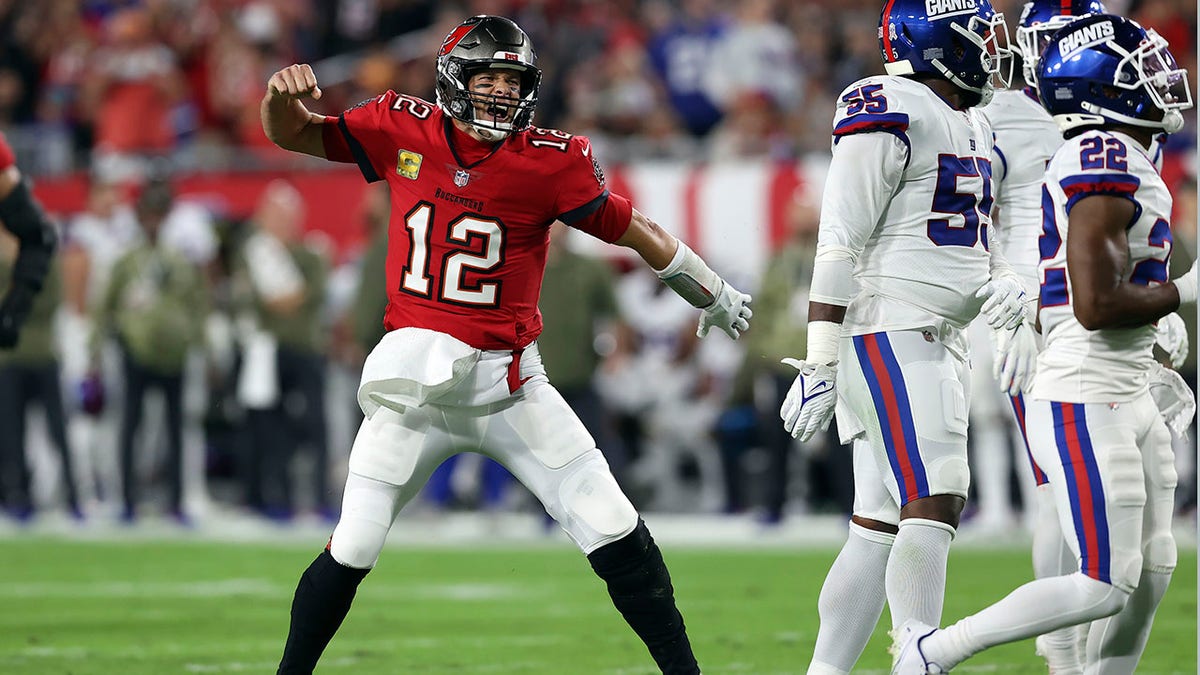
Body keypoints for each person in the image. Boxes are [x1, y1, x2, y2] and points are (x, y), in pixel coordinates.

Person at [261, 14, 752, 675]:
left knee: (616, 528)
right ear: (453, 79)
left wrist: (712, 289)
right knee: (352, 544)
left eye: (511, 80)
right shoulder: (397, 126)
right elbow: (293, 131)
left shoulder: (550, 162)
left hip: (511, 387)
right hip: (416, 393)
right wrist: (277, 97)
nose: (499, 92)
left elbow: (633, 227)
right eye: (487, 77)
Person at [892, 14, 1197, 672]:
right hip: (1089, 389)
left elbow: (1113, 277)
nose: (1160, 78)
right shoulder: (1102, 155)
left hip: (1127, 380)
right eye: (1138, 69)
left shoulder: (1121, 153)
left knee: (1155, 566)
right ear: (1102, 90)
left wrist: (1158, 318)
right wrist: (1184, 292)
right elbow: (1096, 304)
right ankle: (931, 652)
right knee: (1103, 581)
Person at [775, 0, 1024, 671]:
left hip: (933, 334)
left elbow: (975, 226)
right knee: (936, 492)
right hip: (890, 328)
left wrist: (1001, 278)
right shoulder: (889, 104)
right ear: (936, 43)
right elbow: (839, 240)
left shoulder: (966, 117)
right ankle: (916, 656)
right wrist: (820, 359)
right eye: (978, 38)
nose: (991, 50)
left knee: (878, 518)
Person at [976, 0, 1107, 666]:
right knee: (1058, 485)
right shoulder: (1000, 116)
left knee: (1121, 491)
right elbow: (973, 220)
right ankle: (1061, 652)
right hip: (1040, 317)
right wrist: (1014, 303)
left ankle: (1099, 651)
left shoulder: (1111, 116)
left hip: (1106, 317)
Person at [91, 178, 208, 523]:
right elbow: (104, 307)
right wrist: (95, 351)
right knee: (130, 427)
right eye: (149, 214)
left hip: (173, 354)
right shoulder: (126, 261)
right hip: (135, 352)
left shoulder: (179, 261)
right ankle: (126, 500)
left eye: (160, 214)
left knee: (175, 429)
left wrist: (200, 344)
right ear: (140, 217)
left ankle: (176, 501)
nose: (154, 221)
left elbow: (197, 306)